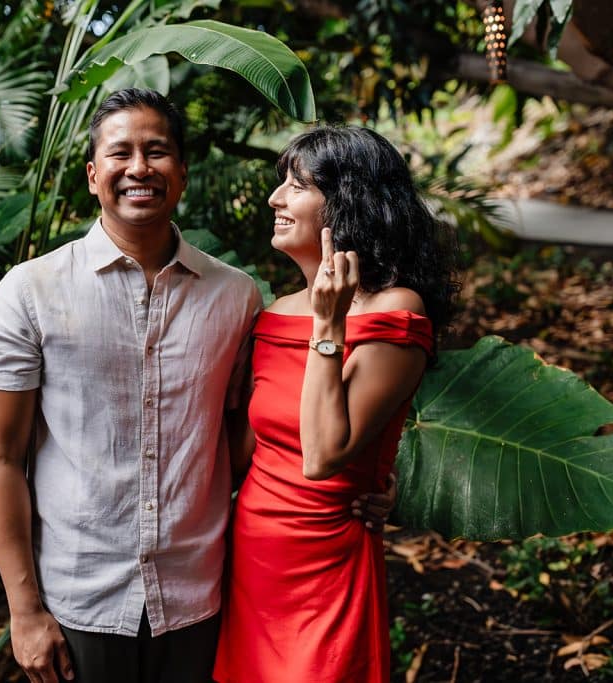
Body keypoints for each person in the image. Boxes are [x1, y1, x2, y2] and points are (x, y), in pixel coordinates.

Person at [0, 89, 396, 683]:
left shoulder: (236, 296)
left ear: (183, 174)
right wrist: (22, 610)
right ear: (94, 176)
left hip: (202, 595)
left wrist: (370, 481)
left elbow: (262, 424)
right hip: (82, 598)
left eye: (158, 151)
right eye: (120, 154)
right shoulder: (30, 292)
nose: (139, 168)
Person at [213, 126, 458, 683]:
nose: (275, 198)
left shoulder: (396, 309)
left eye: (296, 186)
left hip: (325, 565)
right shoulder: (274, 312)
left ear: (348, 202)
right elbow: (245, 453)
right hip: (252, 562)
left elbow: (324, 455)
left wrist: (329, 325)